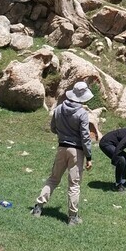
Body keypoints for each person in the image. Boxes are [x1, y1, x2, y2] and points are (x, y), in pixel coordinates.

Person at [31, 81, 95, 225]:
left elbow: (53, 128)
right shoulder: (82, 114)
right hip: (76, 151)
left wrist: (63, 133)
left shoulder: (59, 108)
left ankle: (38, 207)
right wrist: (89, 157)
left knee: (53, 179)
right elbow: (85, 137)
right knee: (74, 185)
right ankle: (73, 217)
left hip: (61, 148)